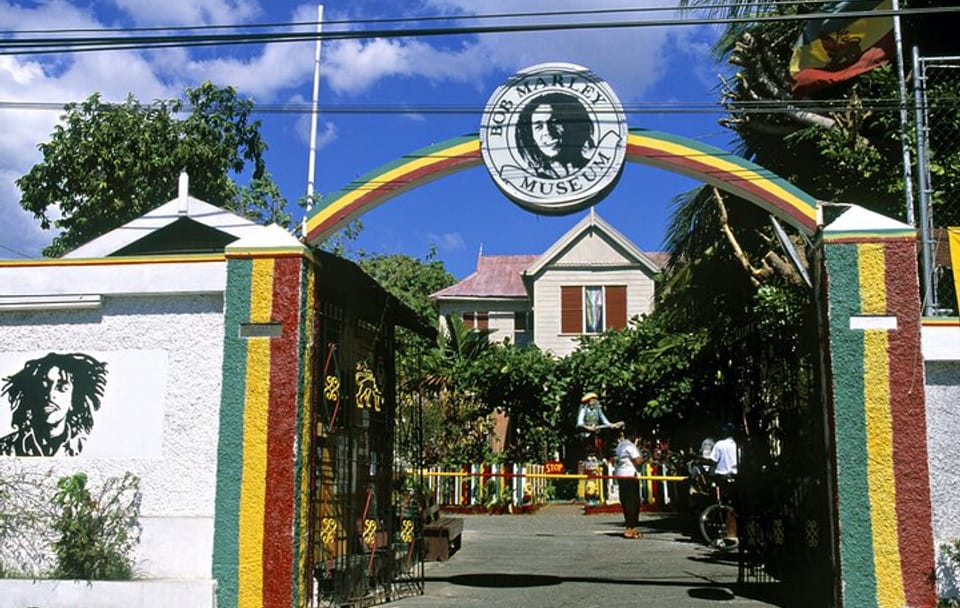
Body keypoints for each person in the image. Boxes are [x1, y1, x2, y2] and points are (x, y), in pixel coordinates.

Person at [0, 352, 107, 457]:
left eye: (62, 388)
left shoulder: (87, 449)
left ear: (73, 400)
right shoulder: (5, 449)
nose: (50, 394)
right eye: (42, 386)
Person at [515, 92, 595, 179]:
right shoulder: (537, 176)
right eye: (539, 127)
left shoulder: (592, 164)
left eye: (555, 122)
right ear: (532, 138)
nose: (548, 131)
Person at [614, 425, 649, 539]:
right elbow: (638, 461)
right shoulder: (630, 446)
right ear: (633, 435)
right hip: (630, 475)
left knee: (626, 502)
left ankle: (631, 527)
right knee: (633, 503)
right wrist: (647, 457)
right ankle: (630, 528)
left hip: (621, 474)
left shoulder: (620, 445)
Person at [576, 391, 623, 456]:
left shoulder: (598, 409)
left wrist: (612, 425)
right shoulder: (584, 409)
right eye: (591, 401)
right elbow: (579, 423)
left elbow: (605, 421)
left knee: (598, 448)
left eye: (594, 401)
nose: (593, 403)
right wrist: (588, 428)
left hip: (595, 434)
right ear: (588, 402)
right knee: (587, 450)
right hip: (585, 436)